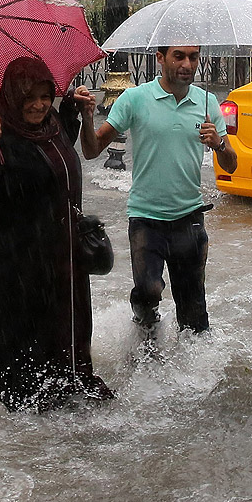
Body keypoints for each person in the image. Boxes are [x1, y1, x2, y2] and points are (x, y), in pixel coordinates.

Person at [0, 57, 115, 411]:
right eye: (29, 97)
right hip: (16, 261)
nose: (38, 105)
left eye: (45, 96)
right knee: (20, 340)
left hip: (60, 253)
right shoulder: (0, 137)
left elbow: (65, 145)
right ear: (13, 97)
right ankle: (21, 403)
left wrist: (74, 104)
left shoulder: (53, 124)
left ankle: (63, 386)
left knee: (62, 327)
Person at [80, 46, 237, 348]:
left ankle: (192, 380)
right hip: (146, 220)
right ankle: (144, 345)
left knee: (194, 317)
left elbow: (231, 164)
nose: (187, 64)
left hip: (189, 219)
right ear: (161, 58)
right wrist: (87, 118)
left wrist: (218, 144)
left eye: (193, 57)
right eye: (179, 56)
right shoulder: (135, 99)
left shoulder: (207, 104)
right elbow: (91, 150)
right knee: (149, 291)